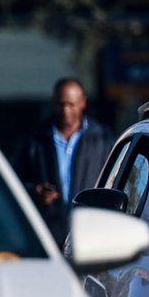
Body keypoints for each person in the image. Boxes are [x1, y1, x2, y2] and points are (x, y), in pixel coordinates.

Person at [18, 78, 96, 217]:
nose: (66, 110)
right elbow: (17, 181)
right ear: (53, 103)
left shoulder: (101, 140)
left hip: (90, 224)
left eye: (71, 105)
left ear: (83, 102)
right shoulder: (35, 140)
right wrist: (35, 192)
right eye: (61, 104)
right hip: (48, 227)